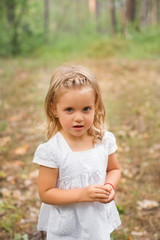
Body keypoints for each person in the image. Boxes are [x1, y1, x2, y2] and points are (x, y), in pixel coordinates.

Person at [33, 65, 121, 240]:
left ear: (95, 106)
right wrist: (82, 194)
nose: (79, 118)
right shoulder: (52, 151)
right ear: (53, 109)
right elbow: (46, 193)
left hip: (96, 220)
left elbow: (114, 170)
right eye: (69, 110)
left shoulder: (103, 140)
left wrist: (109, 186)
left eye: (86, 109)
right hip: (67, 227)